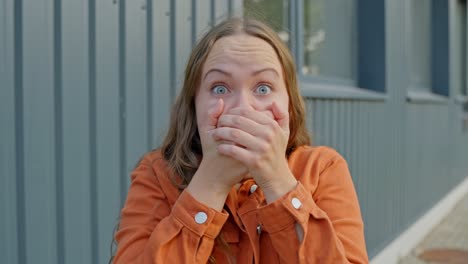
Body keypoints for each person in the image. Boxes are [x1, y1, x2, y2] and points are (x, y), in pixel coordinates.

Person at [113, 17, 368, 263]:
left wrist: (277, 180)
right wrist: (210, 184)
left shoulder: (322, 169)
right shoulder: (157, 174)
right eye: (220, 88)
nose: (243, 108)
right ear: (194, 105)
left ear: (289, 104)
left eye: (263, 88)